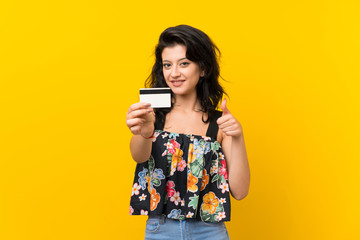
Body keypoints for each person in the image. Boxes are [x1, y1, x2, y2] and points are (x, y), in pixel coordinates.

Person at [126, 25, 250, 240]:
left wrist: (237, 137)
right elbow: (139, 156)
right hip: (161, 230)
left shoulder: (219, 124)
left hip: (209, 231)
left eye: (184, 63)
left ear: (202, 69)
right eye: (167, 65)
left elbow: (240, 192)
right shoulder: (152, 115)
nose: (174, 73)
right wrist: (144, 132)